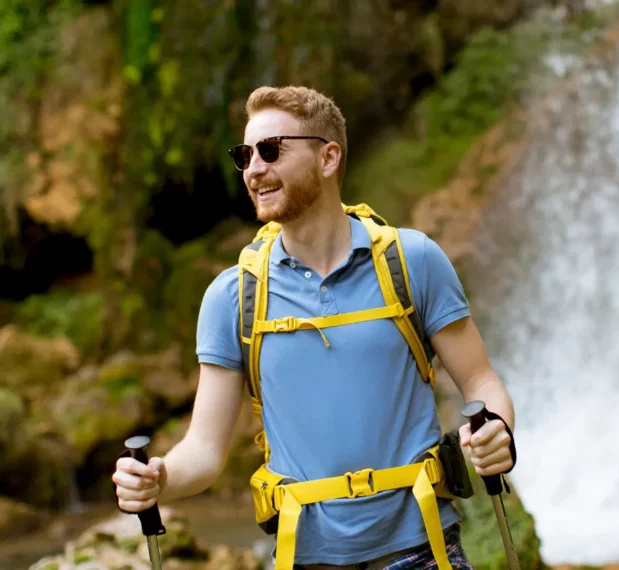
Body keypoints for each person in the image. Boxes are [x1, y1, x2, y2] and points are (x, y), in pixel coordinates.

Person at [112, 85, 516, 569]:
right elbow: (203, 449)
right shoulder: (232, 296)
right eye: (245, 155)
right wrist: (159, 478)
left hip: (422, 549)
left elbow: (480, 382)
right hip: (302, 557)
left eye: (270, 150)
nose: (253, 169)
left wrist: (498, 429)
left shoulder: (413, 262)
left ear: (328, 158)